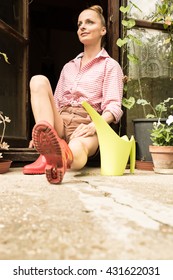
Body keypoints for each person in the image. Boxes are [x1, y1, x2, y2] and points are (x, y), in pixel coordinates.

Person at [23, 5, 124, 184]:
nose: (82, 27)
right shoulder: (68, 67)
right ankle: (47, 148)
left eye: (89, 22)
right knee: (38, 80)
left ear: (103, 30)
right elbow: (54, 102)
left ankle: (61, 158)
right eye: (79, 24)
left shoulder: (110, 66)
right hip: (60, 123)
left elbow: (114, 107)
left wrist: (93, 126)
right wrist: (41, 133)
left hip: (86, 124)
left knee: (77, 148)